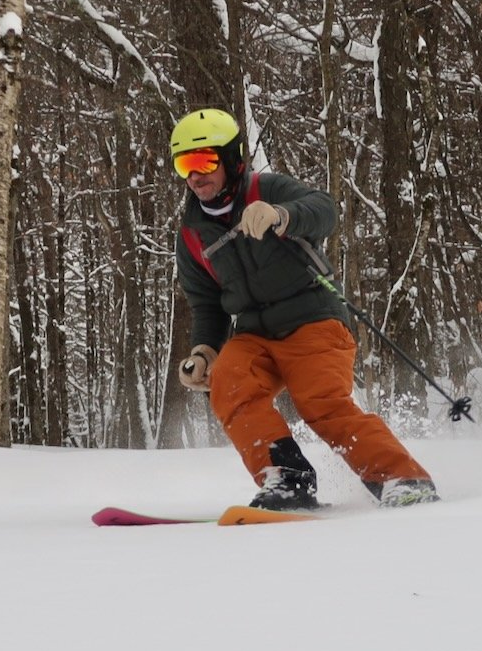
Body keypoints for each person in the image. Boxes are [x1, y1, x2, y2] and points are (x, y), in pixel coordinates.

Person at [169, 107, 438, 511]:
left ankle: (402, 478)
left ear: (230, 159)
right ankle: (288, 481)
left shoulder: (267, 189)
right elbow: (206, 303)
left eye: (204, 161)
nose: (195, 175)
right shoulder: (192, 234)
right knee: (229, 381)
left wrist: (282, 215)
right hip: (254, 332)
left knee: (321, 401)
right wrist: (204, 351)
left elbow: (325, 210)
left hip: (312, 317)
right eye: (184, 165)